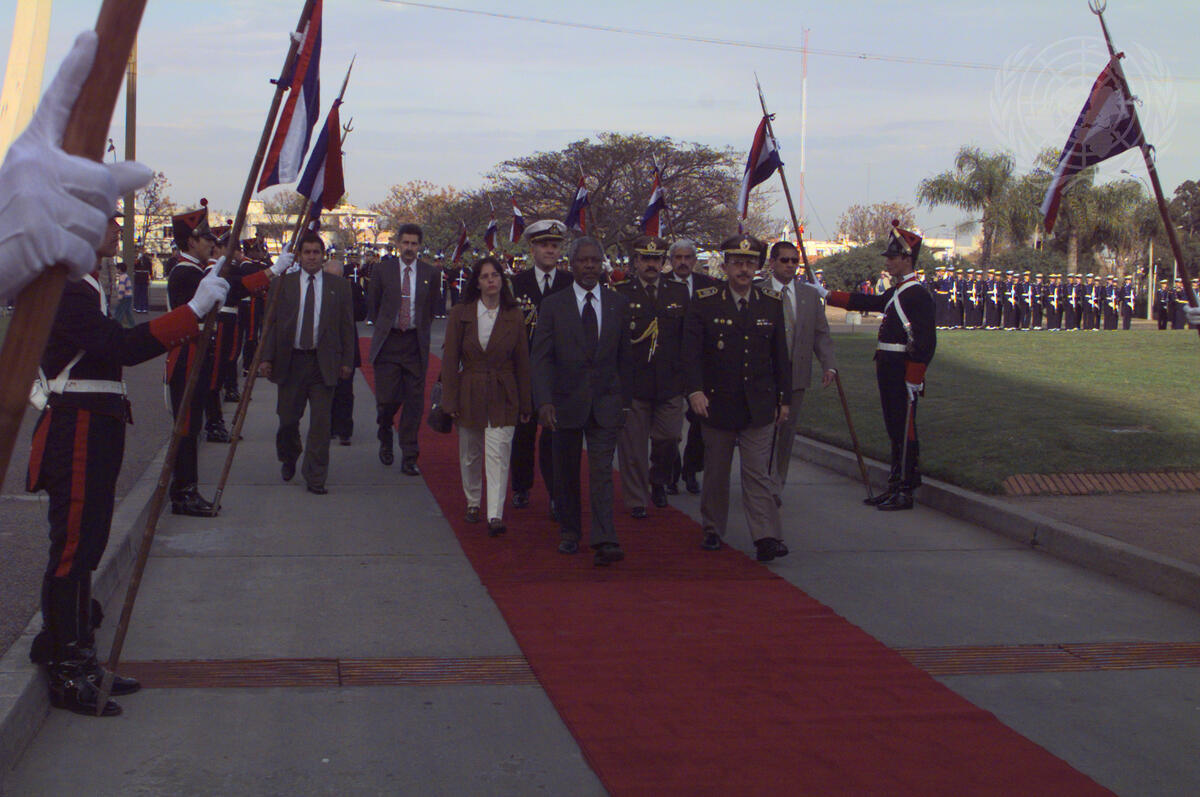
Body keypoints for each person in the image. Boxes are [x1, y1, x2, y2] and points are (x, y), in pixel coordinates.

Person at [27, 207, 229, 716]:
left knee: (90, 542)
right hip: (76, 425)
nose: (118, 229)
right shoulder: (67, 286)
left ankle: (78, 652)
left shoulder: (89, 282)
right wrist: (192, 311)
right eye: (108, 221)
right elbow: (117, 346)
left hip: (96, 422)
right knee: (73, 546)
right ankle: (66, 664)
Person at [683, 234, 791, 561]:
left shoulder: (770, 302)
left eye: (750, 263)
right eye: (737, 263)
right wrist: (694, 391)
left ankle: (766, 536)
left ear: (758, 266)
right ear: (726, 266)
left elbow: (780, 356)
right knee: (717, 473)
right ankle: (713, 529)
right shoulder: (705, 301)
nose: (744, 269)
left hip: (759, 405)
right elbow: (690, 353)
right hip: (717, 404)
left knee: (757, 474)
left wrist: (784, 399)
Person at [531, 236, 632, 566]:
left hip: (605, 402)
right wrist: (544, 401)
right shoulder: (553, 305)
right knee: (566, 472)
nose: (589, 266)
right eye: (583, 260)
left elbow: (625, 358)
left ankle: (605, 538)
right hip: (564, 403)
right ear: (571, 265)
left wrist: (624, 401)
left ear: (602, 264)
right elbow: (541, 358)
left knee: (602, 472)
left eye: (594, 260)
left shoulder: (618, 304)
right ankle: (570, 532)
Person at [824, 222, 936, 511]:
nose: (887, 262)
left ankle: (906, 489)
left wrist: (914, 377)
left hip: (903, 369)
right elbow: (872, 302)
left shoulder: (917, 294)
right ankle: (895, 484)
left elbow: (926, 342)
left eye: (892, 257)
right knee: (894, 427)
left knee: (905, 430)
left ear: (907, 259)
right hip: (888, 367)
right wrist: (828, 295)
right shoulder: (899, 291)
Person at [258, 233, 356, 495]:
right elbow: (270, 324)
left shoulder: (339, 287)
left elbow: (347, 327)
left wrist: (348, 360)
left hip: (323, 363)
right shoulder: (282, 284)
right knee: (288, 420)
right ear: (299, 256)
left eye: (316, 252)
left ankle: (315, 476)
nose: (312, 257)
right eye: (307, 252)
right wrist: (266, 357)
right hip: (291, 362)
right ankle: (289, 455)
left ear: (323, 256)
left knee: (321, 424)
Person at [441, 256, 532, 535]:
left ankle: (494, 514)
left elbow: (522, 361)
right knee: (470, 454)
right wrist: (449, 399)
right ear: (477, 283)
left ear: (502, 280)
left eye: (495, 275)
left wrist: (526, 402)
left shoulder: (514, 314)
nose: (491, 280)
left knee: (498, 453)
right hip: (470, 388)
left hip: (504, 391)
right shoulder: (462, 313)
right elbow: (450, 359)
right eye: (485, 276)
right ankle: (473, 502)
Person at [756, 241, 837, 506]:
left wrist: (829, 364)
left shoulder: (809, 296)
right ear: (772, 263)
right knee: (764, 433)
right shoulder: (758, 292)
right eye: (785, 260)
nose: (790, 265)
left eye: (794, 261)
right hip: (764, 377)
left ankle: (776, 485)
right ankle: (759, 482)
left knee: (786, 434)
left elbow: (821, 334)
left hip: (796, 376)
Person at [612, 235, 688, 518]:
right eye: (646, 259)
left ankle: (658, 479)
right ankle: (636, 500)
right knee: (632, 447)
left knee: (669, 437)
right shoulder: (621, 292)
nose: (651, 264)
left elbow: (687, 339)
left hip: (670, 381)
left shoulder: (678, 292)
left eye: (656, 259)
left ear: (663, 261)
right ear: (636, 262)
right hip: (634, 382)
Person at [509, 219, 573, 512]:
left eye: (555, 245)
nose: (550, 250)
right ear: (532, 248)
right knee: (522, 433)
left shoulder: (570, 283)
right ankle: (521, 487)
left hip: (558, 373)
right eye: (544, 245)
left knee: (554, 436)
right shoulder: (516, 284)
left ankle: (555, 492)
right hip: (523, 370)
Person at [366, 223, 440, 475]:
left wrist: (417, 328)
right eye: (405, 243)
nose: (409, 248)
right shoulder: (382, 270)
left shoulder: (430, 273)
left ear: (419, 246)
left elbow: (431, 308)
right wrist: (388, 325)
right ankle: (385, 429)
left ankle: (409, 454)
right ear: (397, 244)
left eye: (414, 244)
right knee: (387, 398)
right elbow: (374, 305)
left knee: (414, 403)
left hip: (414, 345)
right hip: (389, 342)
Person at [667, 238, 720, 495]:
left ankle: (690, 469)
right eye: (678, 257)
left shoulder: (708, 286)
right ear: (671, 260)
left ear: (695, 260)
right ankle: (671, 470)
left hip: (701, 365)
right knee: (669, 426)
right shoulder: (662, 285)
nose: (683, 262)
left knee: (700, 421)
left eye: (688, 257)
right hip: (669, 365)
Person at [111, 261, 134, 327]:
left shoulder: (122, 277)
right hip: (129, 296)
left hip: (124, 297)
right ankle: (132, 325)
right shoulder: (126, 276)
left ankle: (115, 326)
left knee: (119, 312)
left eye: (117, 269)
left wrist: (119, 297)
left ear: (120, 269)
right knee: (127, 312)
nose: (116, 270)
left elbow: (121, 288)